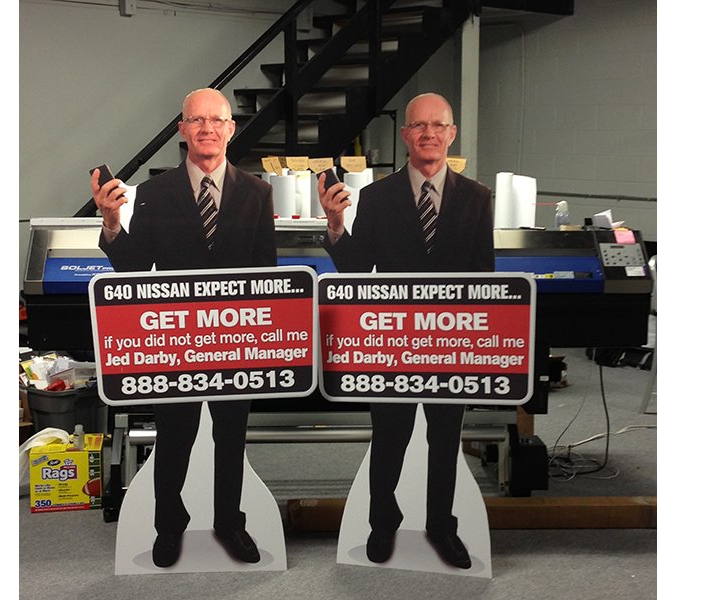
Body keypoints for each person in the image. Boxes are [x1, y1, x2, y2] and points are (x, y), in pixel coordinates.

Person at [91, 88, 277, 567]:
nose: (207, 128)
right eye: (196, 120)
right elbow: (134, 268)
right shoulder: (154, 193)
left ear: (231, 128)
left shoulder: (258, 192)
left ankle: (228, 525)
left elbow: (267, 273)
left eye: (216, 120)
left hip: (236, 343)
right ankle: (169, 527)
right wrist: (112, 222)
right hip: (176, 344)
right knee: (174, 437)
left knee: (231, 439)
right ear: (182, 130)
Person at [317, 92, 494, 569]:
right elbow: (355, 270)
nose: (429, 133)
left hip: (451, 348)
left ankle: (441, 527)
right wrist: (336, 224)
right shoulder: (376, 197)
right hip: (391, 347)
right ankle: (382, 523)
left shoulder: (478, 199)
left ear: (452, 134)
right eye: (419, 126)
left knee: (444, 441)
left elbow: (485, 279)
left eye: (439, 126)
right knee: (389, 438)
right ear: (405, 134)